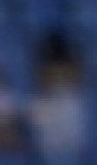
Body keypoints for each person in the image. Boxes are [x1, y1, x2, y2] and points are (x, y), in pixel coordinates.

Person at [27, 28, 87, 158]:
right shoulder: (41, 66)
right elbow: (41, 81)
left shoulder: (72, 64)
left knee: (72, 148)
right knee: (47, 148)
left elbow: (77, 79)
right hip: (48, 101)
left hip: (68, 102)